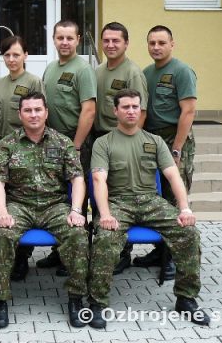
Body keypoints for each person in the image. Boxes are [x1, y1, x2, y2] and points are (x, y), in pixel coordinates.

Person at [88, 89, 209, 329]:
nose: (131, 111)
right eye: (125, 107)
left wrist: (184, 209)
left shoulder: (154, 141)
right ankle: (97, 303)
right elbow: (99, 179)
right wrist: (105, 214)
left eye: (135, 106)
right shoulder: (103, 143)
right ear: (115, 111)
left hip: (151, 202)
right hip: (119, 202)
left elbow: (173, 176)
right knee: (105, 238)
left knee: (188, 233)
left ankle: (186, 299)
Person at [0, 92, 89, 329]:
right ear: (20, 114)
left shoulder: (62, 142)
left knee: (77, 234)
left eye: (37, 110)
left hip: (54, 205)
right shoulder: (7, 144)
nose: (33, 115)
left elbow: (77, 178)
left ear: (46, 112)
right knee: (3, 234)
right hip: (19, 205)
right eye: (28, 110)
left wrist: (76, 210)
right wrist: (2, 212)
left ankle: (76, 298)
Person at [134, 25, 198, 277]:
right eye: (152, 43)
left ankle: (172, 258)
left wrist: (177, 149)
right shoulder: (147, 73)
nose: (156, 47)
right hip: (153, 139)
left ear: (172, 44)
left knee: (174, 197)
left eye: (161, 43)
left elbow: (188, 111)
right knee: (157, 198)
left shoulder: (182, 71)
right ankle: (159, 251)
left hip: (175, 139)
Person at [37, 19, 97, 276]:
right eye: (60, 37)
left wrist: (77, 145)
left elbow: (89, 110)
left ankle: (76, 257)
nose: (64, 42)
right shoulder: (50, 69)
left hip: (75, 141)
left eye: (69, 38)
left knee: (77, 198)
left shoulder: (83, 70)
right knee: (59, 196)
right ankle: (59, 250)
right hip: (54, 141)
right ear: (53, 39)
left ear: (78, 40)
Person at [0, 35, 44, 281]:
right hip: (2, 150)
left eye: (16, 54)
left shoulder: (33, 81)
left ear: (25, 56)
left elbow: (39, 117)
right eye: (7, 55)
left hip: (25, 150)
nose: (11, 59)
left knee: (23, 200)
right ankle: (4, 251)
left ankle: (21, 257)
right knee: (5, 201)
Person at [94, 21, 148, 275]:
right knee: (101, 194)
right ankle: (104, 244)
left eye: (116, 40)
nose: (110, 45)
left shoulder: (132, 73)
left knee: (120, 195)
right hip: (100, 140)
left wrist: (131, 144)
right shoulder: (99, 70)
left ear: (126, 43)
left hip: (122, 142)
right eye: (106, 40)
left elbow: (139, 112)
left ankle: (122, 253)